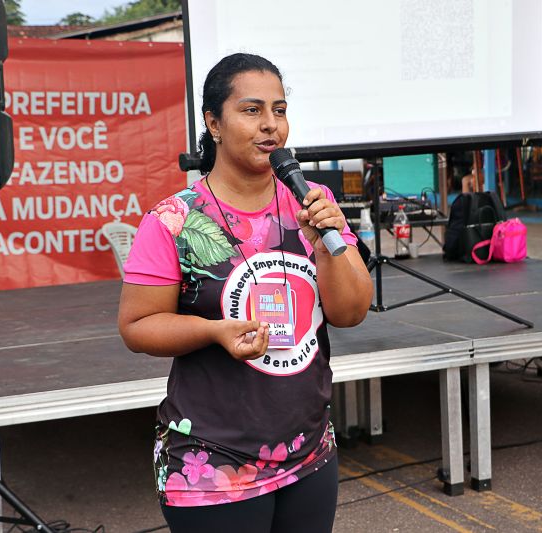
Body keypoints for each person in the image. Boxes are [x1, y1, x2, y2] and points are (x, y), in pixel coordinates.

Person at [118, 53, 373, 533]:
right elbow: (137, 326)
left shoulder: (313, 203)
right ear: (214, 123)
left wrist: (326, 247)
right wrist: (214, 332)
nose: (270, 125)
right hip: (211, 464)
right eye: (252, 110)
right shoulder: (173, 220)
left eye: (279, 110)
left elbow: (352, 311)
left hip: (309, 451)